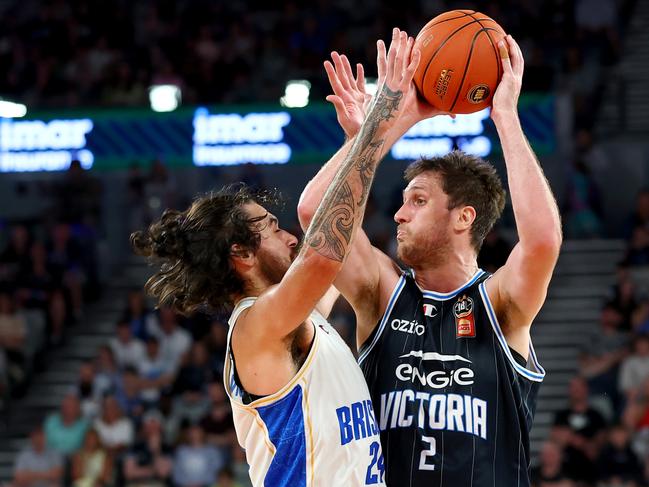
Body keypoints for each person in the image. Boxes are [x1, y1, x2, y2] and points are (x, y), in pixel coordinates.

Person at [130, 29, 423, 487]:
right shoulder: (256, 327)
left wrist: (366, 137)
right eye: (272, 228)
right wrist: (378, 125)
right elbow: (324, 253)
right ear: (242, 255)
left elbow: (332, 234)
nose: (291, 238)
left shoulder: (300, 316)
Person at [298, 30, 562, 485]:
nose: (399, 214)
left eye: (418, 201)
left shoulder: (500, 302)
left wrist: (505, 117)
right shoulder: (382, 292)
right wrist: (387, 126)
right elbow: (315, 218)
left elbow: (541, 242)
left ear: (463, 218)